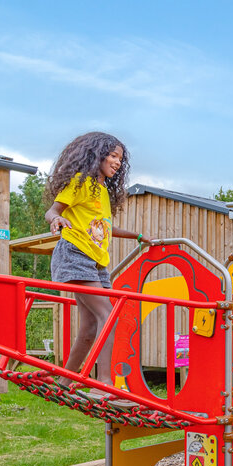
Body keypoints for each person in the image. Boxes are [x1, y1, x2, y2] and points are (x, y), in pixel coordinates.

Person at [43, 132, 143, 405]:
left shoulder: (103, 193)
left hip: (96, 262)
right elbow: (53, 211)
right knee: (107, 315)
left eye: (120, 159)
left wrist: (137, 236)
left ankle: (63, 383)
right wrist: (57, 221)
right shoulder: (80, 183)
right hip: (75, 254)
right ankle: (103, 382)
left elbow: (105, 228)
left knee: (89, 327)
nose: (117, 163)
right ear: (96, 155)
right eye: (112, 156)